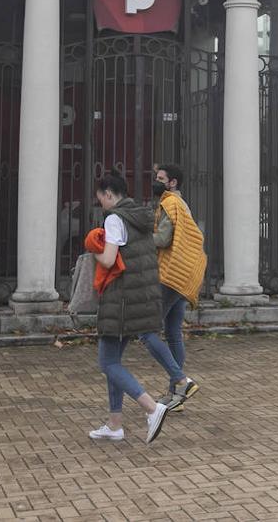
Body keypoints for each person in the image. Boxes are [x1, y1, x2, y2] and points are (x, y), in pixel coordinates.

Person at [88, 173, 184, 444]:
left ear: (108, 194)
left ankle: (152, 409)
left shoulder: (115, 218)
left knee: (107, 362)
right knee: (113, 363)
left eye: (101, 199)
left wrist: (90, 248)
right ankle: (115, 424)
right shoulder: (140, 216)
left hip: (120, 300)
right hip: (139, 299)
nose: (101, 205)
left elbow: (107, 260)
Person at [152, 163, 207, 411]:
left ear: (172, 182)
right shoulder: (182, 204)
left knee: (148, 330)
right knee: (173, 332)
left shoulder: (169, 204)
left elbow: (163, 239)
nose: (156, 180)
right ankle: (176, 397)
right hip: (183, 275)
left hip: (170, 275)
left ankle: (181, 381)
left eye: (160, 178)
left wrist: (138, 236)